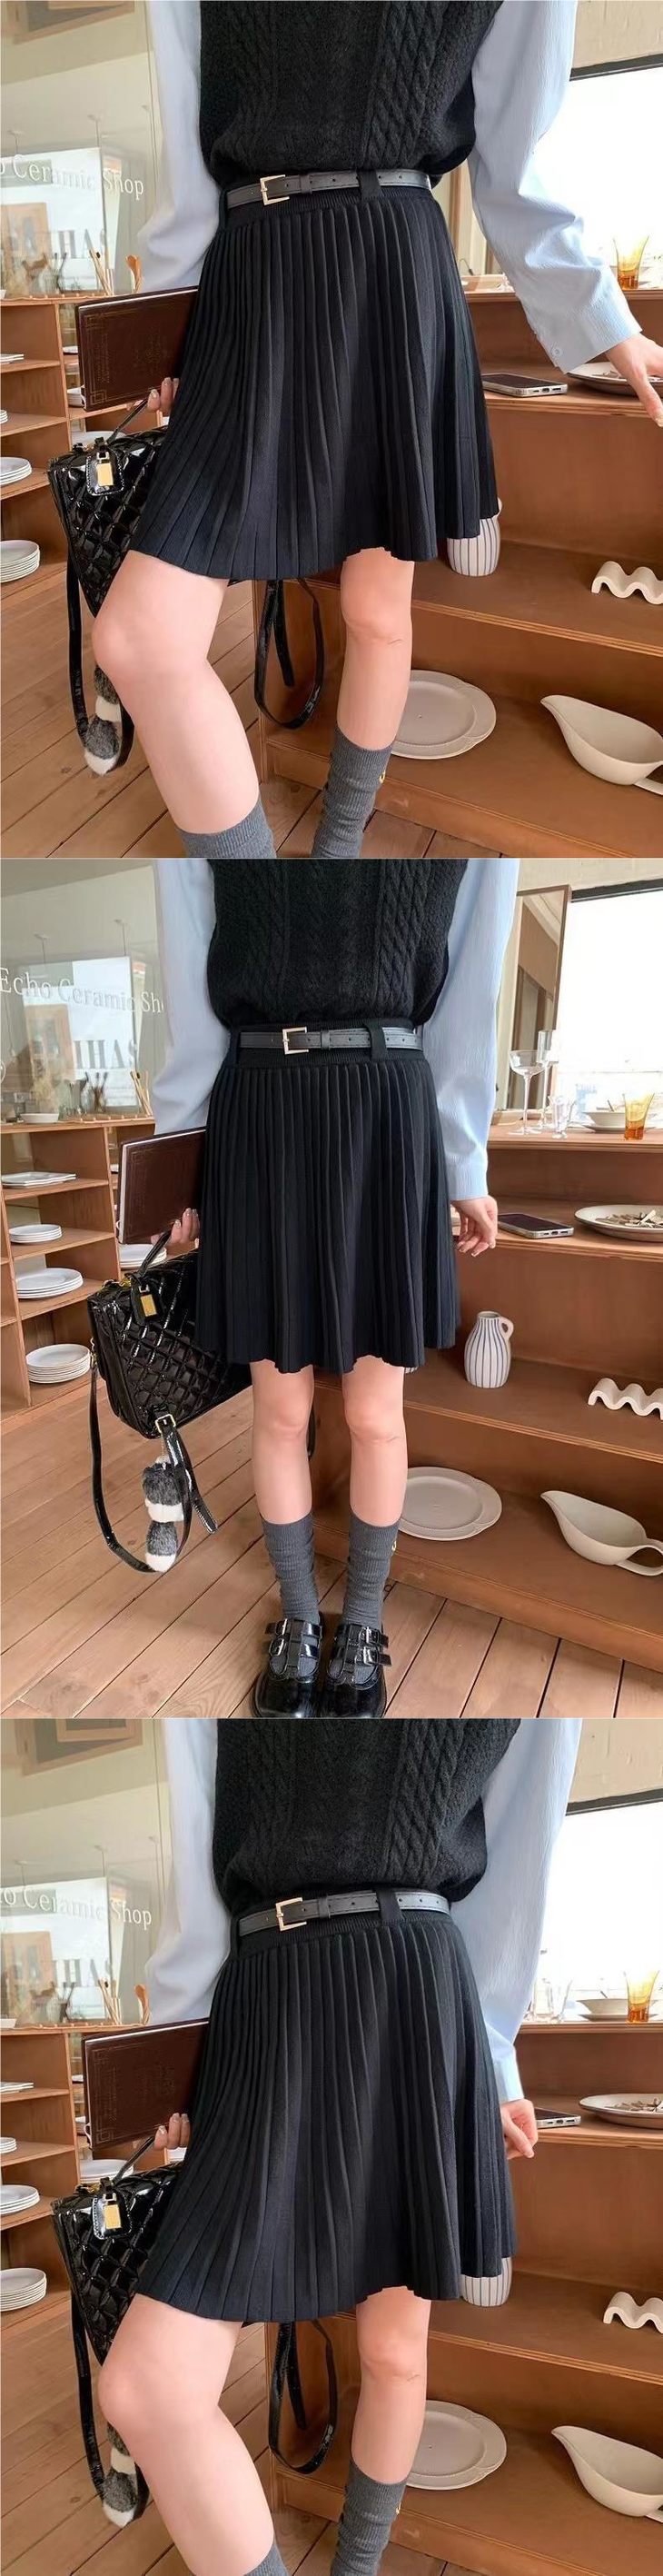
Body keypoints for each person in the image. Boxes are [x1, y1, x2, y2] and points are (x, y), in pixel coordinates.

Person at [92, 0, 663, 865]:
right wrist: (167, 315)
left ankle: (339, 849)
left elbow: (515, 156)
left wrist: (603, 319)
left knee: (378, 611)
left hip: (394, 269)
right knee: (139, 637)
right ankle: (258, 887)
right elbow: (184, 126)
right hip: (252, 282)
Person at [97, 1714, 581, 2576]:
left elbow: (521, 1837)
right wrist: (180, 2037)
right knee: (148, 2385)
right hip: (267, 1997)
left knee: (394, 2351)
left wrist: (492, 2056)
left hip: (412, 1992)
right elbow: (198, 1807)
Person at [149, 853, 519, 1715]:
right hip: (258, 1111)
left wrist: (464, 1159)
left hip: (385, 1110)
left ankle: (362, 1622)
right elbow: (190, 977)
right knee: (279, 1411)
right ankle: (299, 1616)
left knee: (374, 1414)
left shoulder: (468, 845)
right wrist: (178, 1155)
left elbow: (469, 988)